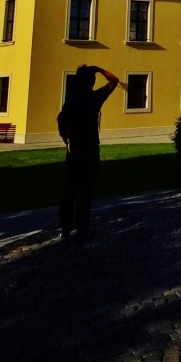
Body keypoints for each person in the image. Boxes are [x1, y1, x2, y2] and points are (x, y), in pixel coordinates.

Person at [57, 64, 119, 238]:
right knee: (85, 191)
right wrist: (99, 69)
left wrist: (66, 139)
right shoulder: (94, 98)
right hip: (90, 149)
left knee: (70, 190)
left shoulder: (72, 99)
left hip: (74, 150)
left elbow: (61, 120)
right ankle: (82, 227)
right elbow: (114, 80)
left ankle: (65, 228)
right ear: (92, 81)